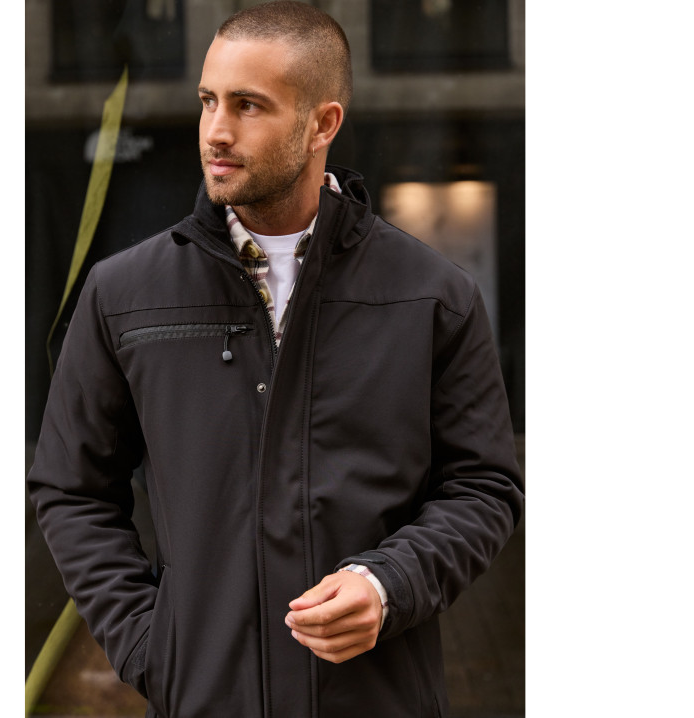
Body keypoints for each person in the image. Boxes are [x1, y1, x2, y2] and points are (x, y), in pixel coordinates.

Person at [27, 2, 524, 716]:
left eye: (248, 105)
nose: (216, 130)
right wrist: (150, 645)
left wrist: (389, 584)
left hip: (376, 700)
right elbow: (71, 488)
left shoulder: (432, 296)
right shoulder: (124, 295)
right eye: (208, 101)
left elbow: (483, 487)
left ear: (322, 124)